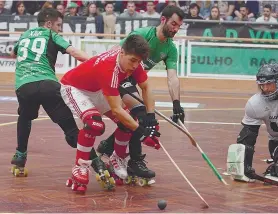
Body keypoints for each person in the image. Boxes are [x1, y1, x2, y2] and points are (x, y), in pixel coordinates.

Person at [60, 35, 161, 193]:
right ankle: (80, 166)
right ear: (122, 53)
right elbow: (117, 110)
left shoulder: (133, 61)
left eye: (138, 62)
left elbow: (146, 87)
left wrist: (151, 119)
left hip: (97, 90)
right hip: (75, 88)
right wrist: (142, 133)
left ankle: (117, 158)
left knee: (129, 121)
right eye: (132, 60)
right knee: (95, 124)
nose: (135, 66)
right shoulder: (109, 68)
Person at [97, 5, 186, 180]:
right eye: (173, 24)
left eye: (178, 26)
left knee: (139, 116)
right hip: (117, 76)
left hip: (132, 79)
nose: (175, 29)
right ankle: (134, 161)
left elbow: (172, 77)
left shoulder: (170, 49)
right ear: (163, 20)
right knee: (140, 113)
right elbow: (117, 52)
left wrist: (177, 103)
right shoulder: (142, 35)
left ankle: (108, 146)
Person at [10, 8, 91, 176]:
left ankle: (20, 156)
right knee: (71, 131)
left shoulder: (25, 35)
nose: (59, 29)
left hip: (24, 85)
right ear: (48, 24)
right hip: (47, 84)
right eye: (58, 25)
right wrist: (97, 62)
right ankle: (98, 165)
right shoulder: (50, 35)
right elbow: (74, 52)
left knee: (25, 117)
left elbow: (13, 53)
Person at [227, 63, 278, 183]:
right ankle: (276, 165)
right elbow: (248, 137)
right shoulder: (255, 104)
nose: (266, 89)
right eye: (262, 85)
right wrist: (245, 165)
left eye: (269, 84)